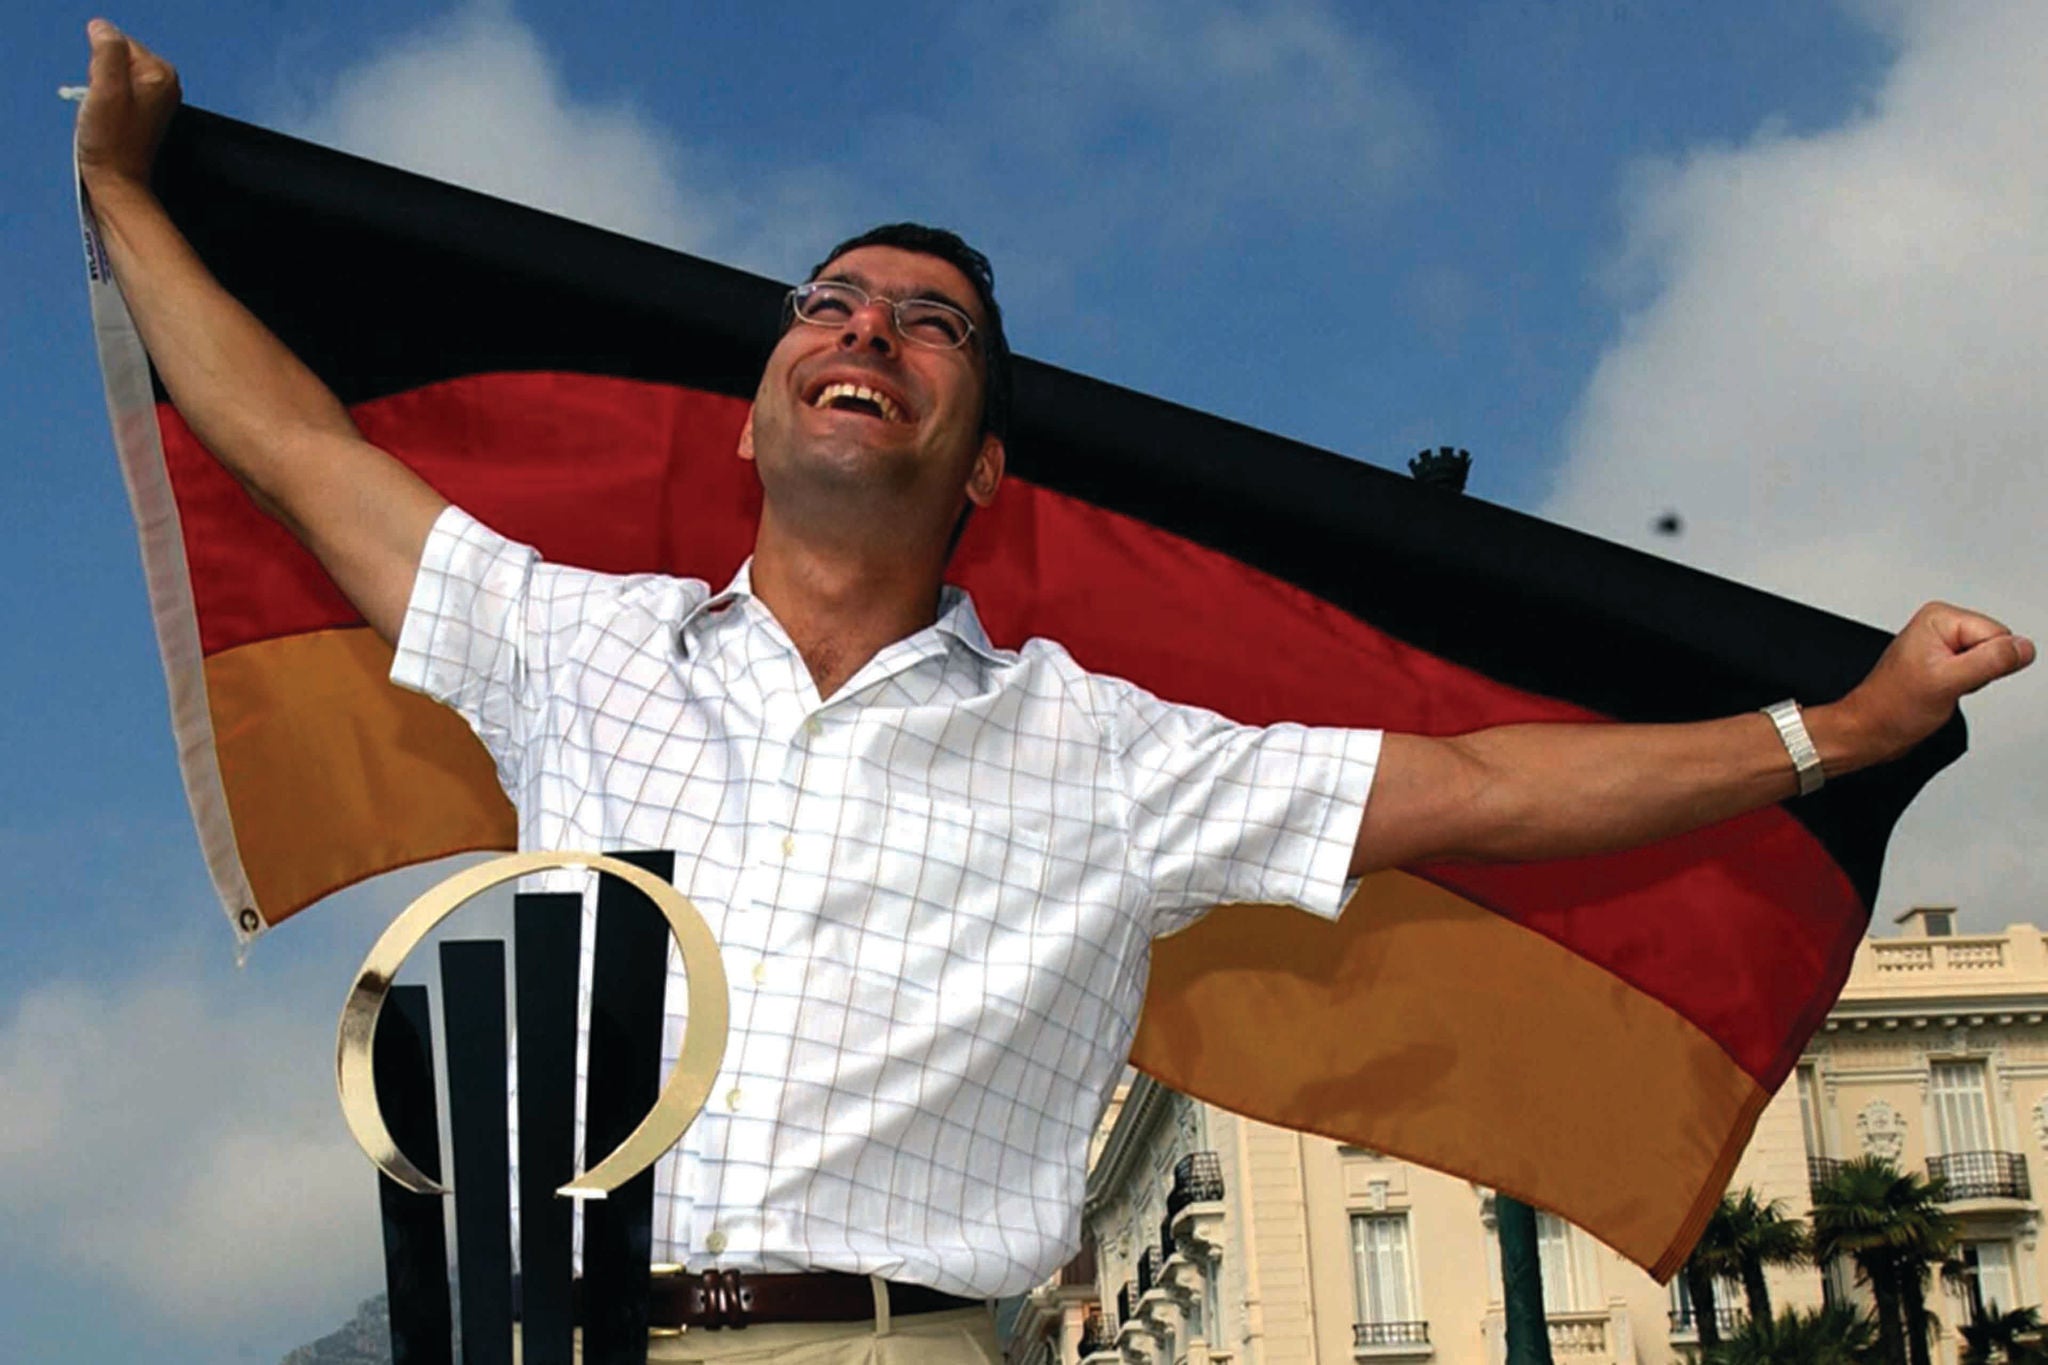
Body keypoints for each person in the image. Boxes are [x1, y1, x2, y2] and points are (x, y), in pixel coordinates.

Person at [74, 19, 2033, 1364]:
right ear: (753, 414)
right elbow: (299, 449)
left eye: (927, 325)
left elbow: (1487, 788)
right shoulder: (569, 640)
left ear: (985, 465)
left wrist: (1839, 734)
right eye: (829, 304)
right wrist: (128, 200)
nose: (867, 329)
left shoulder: (1104, 751)